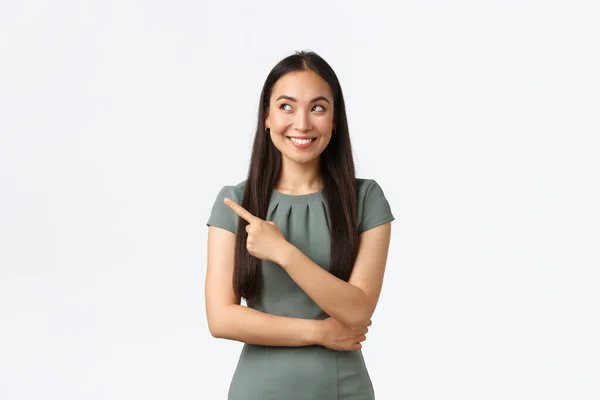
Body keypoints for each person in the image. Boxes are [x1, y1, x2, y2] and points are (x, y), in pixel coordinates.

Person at [205, 50, 395, 400]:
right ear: (266, 116)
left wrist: (283, 252)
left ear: (335, 120)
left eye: (318, 108)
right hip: (258, 391)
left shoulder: (366, 199)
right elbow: (221, 319)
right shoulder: (234, 203)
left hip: (343, 391)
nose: (303, 124)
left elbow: (357, 310)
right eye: (287, 107)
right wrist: (318, 333)